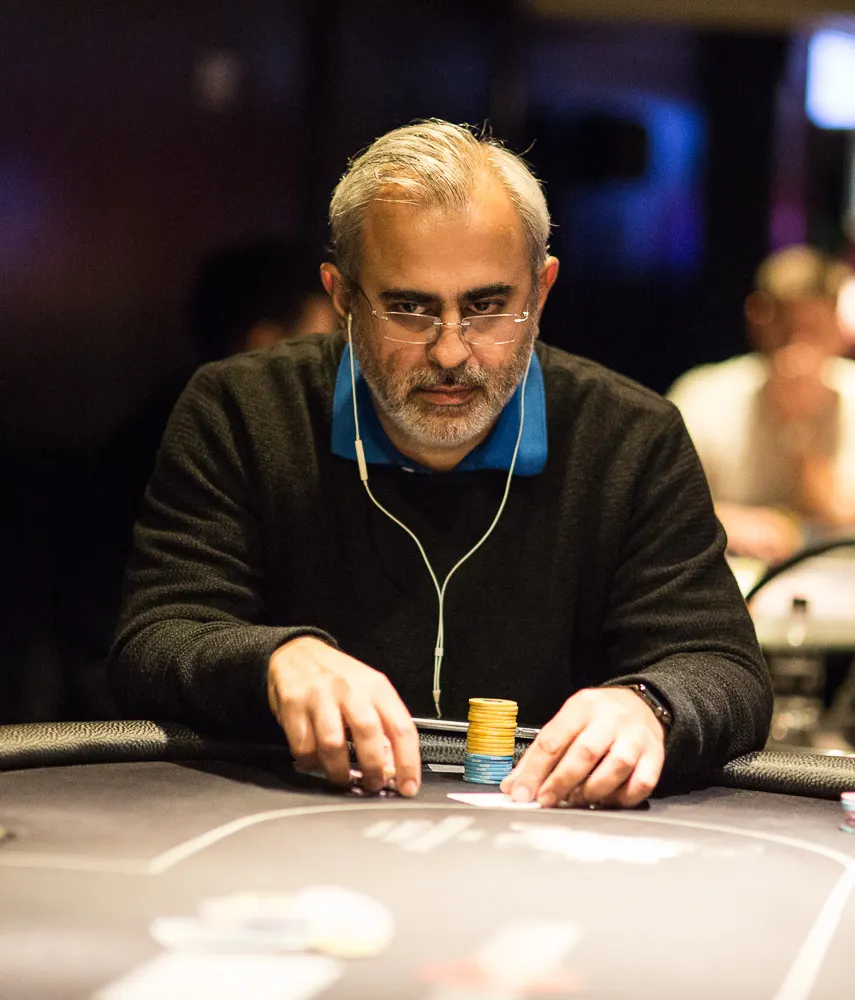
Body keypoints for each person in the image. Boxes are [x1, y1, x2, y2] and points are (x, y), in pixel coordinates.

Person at [109, 119, 771, 809]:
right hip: (295, 817)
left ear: (541, 291)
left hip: (550, 827)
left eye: (486, 306)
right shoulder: (241, 410)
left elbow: (723, 668)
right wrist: (274, 660)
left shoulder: (632, 438)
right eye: (409, 308)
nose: (451, 351)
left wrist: (648, 704)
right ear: (341, 298)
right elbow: (153, 641)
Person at [668, 246, 855, 564]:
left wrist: (800, 432)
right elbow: (663, 508)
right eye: (787, 330)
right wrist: (730, 524)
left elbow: (842, 519)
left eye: (814, 331)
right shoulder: (702, 396)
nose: (798, 350)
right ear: (757, 319)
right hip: (730, 575)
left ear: (837, 326)